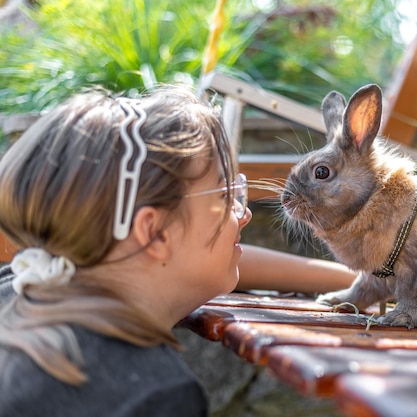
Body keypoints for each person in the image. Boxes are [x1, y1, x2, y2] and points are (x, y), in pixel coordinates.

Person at [0, 85, 355, 416]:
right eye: (223, 195)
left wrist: (359, 279)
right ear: (153, 233)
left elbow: (221, 258)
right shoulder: (155, 396)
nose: (244, 213)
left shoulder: (25, 282)